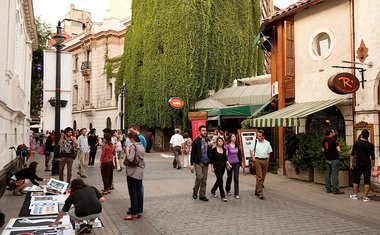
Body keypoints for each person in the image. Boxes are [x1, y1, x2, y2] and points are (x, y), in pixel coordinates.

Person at [124, 131, 145, 220]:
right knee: (139, 192)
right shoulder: (141, 146)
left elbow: (130, 159)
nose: (129, 140)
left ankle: (133, 213)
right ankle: (139, 211)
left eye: (129, 138)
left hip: (132, 173)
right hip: (140, 171)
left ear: (132, 138)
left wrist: (128, 152)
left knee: (133, 193)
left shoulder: (133, 147)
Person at [349, 130, 375, 202]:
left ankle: (355, 195)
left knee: (356, 178)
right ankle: (365, 197)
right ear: (368, 136)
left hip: (359, 163)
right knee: (367, 180)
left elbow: (352, 154)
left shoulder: (356, 143)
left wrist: (351, 162)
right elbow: (372, 157)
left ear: (361, 135)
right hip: (367, 164)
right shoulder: (371, 145)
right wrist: (373, 166)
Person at [190, 125, 212, 201]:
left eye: (205, 130)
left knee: (204, 179)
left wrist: (210, 146)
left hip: (206, 162)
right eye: (203, 130)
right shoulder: (196, 141)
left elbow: (209, 152)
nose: (204, 132)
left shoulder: (207, 140)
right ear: (199, 132)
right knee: (199, 177)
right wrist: (191, 164)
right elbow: (192, 153)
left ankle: (202, 195)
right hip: (198, 162)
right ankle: (195, 192)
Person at [249, 129, 272, 200]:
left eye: (259, 136)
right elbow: (251, 151)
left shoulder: (267, 143)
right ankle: (260, 192)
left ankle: (256, 190)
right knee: (259, 176)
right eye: (257, 136)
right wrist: (254, 159)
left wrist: (267, 160)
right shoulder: (255, 142)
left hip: (265, 160)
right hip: (258, 160)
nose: (258, 137)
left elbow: (269, 152)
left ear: (263, 136)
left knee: (263, 177)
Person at [321, 129, 344, 194]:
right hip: (334, 159)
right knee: (334, 174)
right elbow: (338, 149)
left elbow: (323, 149)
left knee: (327, 174)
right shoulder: (334, 140)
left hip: (327, 159)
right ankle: (336, 189)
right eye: (333, 132)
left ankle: (328, 189)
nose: (334, 133)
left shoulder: (324, 140)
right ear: (331, 133)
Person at [210, 137, 230, 202]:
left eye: (221, 141)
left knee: (219, 180)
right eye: (219, 141)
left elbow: (226, 159)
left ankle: (213, 190)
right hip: (216, 167)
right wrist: (212, 167)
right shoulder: (214, 150)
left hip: (223, 167)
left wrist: (228, 164)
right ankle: (223, 196)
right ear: (217, 142)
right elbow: (212, 160)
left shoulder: (224, 150)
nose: (220, 142)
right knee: (220, 180)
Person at [225, 133, 242, 199]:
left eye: (235, 136)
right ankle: (227, 189)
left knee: (236, 178)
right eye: (233, 136)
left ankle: (236, 193)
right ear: (230, 138)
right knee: (229, 177)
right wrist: (227, 163)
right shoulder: (227, 146)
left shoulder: (237, 146)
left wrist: (241, 162)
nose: (234, 138)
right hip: (230, 163)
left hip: (236, 163)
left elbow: (240, 154)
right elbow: (226, 156)